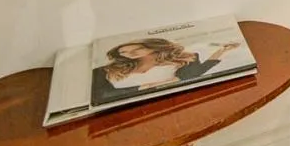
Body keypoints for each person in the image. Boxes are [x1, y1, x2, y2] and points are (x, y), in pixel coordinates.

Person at [91, 38, 242, 105]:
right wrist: (145, 87)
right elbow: (101, 94)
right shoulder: (111, 69)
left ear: (152, 47)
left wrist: (223, 50)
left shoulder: (181, 62)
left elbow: (199, 71)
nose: (130, 53)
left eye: (138, 49)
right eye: (123, 52)